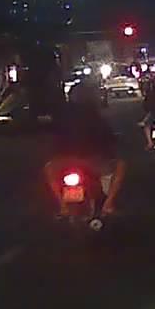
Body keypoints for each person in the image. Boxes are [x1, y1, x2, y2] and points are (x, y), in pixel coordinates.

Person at [44, 77, 125, 217]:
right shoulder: (94, 116)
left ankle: (62, 206)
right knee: (120, 165)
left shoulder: (62, 115)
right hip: (92, 161)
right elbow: (106, 137)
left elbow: (54, 136)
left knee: (49, 169)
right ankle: (108, 204)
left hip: (65, 161)